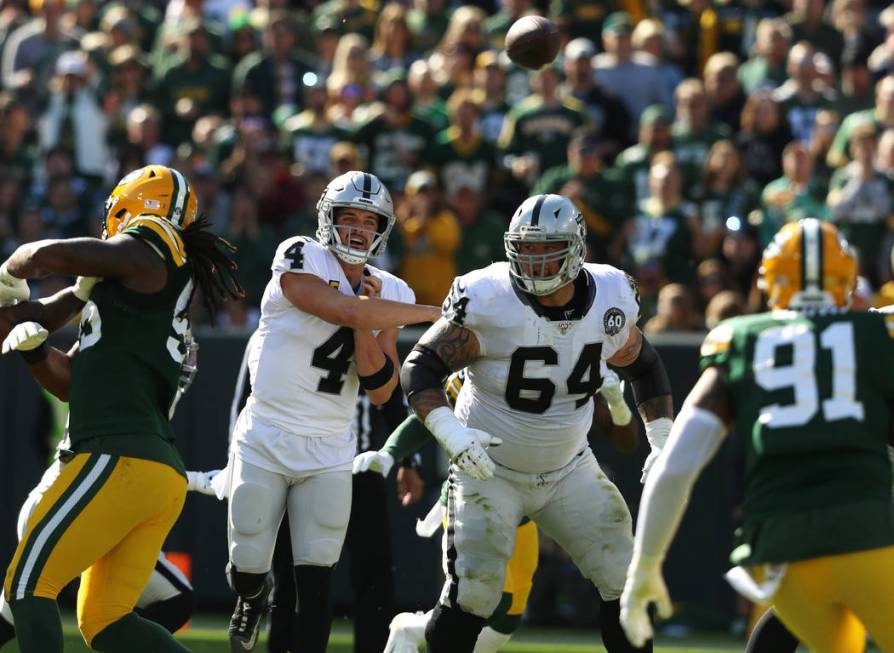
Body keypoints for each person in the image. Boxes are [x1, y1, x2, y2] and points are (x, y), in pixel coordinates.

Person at [399, 193, 676, 652]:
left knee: (625, 583)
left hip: (570, 467)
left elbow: (644, 365)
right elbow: (421, 366)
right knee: (475, 594)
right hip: (488, 469)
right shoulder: (488, 297)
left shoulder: (610, 295)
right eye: (525, 251)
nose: (534, 264)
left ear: (576, 250)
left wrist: (661, 441)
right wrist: (453, 436)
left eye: (547, 252)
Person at [0, 164, 243, 653]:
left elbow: (48, 255)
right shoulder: (129, 291)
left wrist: (11, 265)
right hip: (150, 471)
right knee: (106, 622)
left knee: (26, 585)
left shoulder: (153, 242)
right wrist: (32, 350)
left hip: (114, 456)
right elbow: (69, 381)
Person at [620, 219, 894, 651]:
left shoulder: (741, 340)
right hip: (869, 535)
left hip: (781, 553)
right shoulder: (879, 335)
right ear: (846, 279)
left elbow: (674, 468)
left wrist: (644, 567)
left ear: (770, 281)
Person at [225, 170, 440, 653]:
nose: (360, 229)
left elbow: (382, 389)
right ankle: (249, 595)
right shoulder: (299, 254)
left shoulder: (390, 291)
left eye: (370, 220)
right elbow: (341, 311)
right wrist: (430, 313)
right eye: (350, 217)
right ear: (329, 219)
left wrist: (371, 322)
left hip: (330, 445)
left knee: (315, 585)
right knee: (250, 562)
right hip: (267, 432)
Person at [356, 366, 637, 653]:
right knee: (479, 601)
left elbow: (625, 439)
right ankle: (416, 632)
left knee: (507, 617)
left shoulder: (573, 353)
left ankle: (412, 631)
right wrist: (390, 453)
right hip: (479, 493)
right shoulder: (487, 363)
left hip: (537, 498)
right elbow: (425, 415)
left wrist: (618, 404)